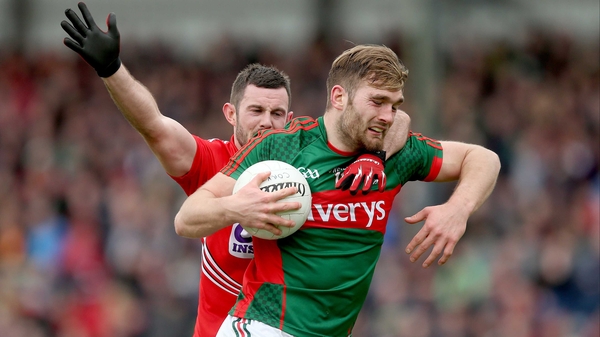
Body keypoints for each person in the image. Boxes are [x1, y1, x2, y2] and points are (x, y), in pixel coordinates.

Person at [60, 3, 412, 336]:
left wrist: (376, 154)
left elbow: (399, 119)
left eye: (277, 115)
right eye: (255, 111)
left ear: (290, 118)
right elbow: (154, 125)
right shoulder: (213, 163)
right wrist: (112, 70)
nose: (266, 123)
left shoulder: (313, 156)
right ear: (231, 114)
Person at [175, 44, 501, 337]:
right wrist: (237, 208)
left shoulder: (395, 155)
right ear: (338, 97)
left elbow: (483, 158)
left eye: (394, 105)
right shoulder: (281, 147)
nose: (389, 116)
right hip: (263, 327)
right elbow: (187, 218)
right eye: (377, 102)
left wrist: (458, 209)